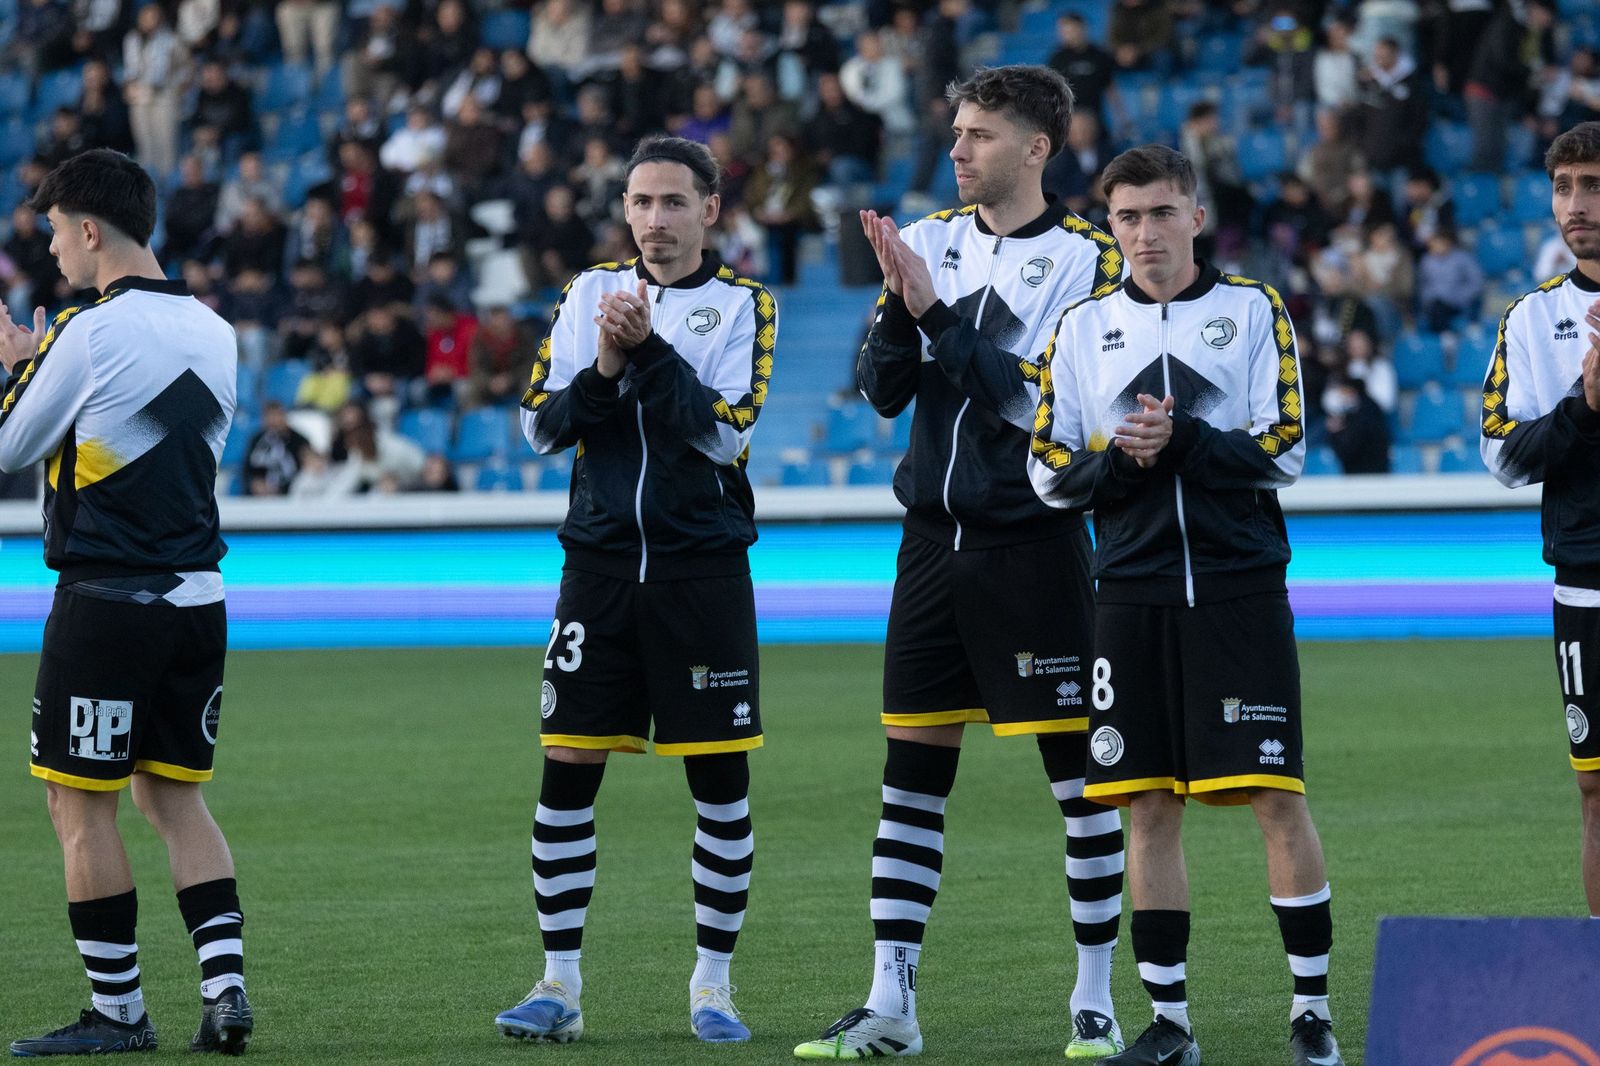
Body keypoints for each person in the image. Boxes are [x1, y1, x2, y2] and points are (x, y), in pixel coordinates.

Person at [793, 65, 1127, 1062]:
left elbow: (1040, 407)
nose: (957, 149)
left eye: (979, 134)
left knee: (1081, 786)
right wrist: (901, 309)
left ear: (1036, 148)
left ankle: (1095, 1000)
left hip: (1035, 544)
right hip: (931, 547)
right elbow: (878, 393)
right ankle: (890, 1004)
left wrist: (934, 311)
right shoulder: (929, 240)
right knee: (909, 784)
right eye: (955, 130)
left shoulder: (1086, 262)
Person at [1027, 144, 1341, 1066]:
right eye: (1127, 217)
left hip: (1238, 591)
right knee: (1146, 808)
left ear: (1196, 217)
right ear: (1110, 226)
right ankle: (1170, 1023)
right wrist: (1119, 462)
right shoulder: (1083, 329)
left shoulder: (1251, 310)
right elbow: (1048, 474)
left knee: (1274, 798)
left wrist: (1183, 442)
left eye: (1162, 213)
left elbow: (1285, 447)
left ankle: (1311, 1012)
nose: (1145, 233)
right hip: (1128, 597)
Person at [496, 135, 778, 1046]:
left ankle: (713, 987)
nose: (654, 219)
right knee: (566, 773)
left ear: (710, 212)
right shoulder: (585, 296)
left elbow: (722, 436)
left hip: (702, 574)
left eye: (672, 202)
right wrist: (609, 366)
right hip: (600, 571)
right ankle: (559, 984)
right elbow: (542, 429)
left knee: (720, 785)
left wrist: (649, 352)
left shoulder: (745, 306)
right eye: (640, 201)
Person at [0, 149, 252, 1056]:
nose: (56, 248)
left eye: (58, 229)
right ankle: (225, 992)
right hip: (198, 598)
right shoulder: (217, 330)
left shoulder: (87, 332)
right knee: (175, 799)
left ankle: (118, 1012)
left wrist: (24, 363)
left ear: (92, 228)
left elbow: (10, 443)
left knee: (80, 805)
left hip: (107, 600)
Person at [1481, 121, 1600, 921]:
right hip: (1588, 583)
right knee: (1595, 790)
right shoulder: (1531, 320)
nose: (1576, 205)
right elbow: (1504, 456)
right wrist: (1586, 407)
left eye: (1592, 185)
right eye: (1563, 187)